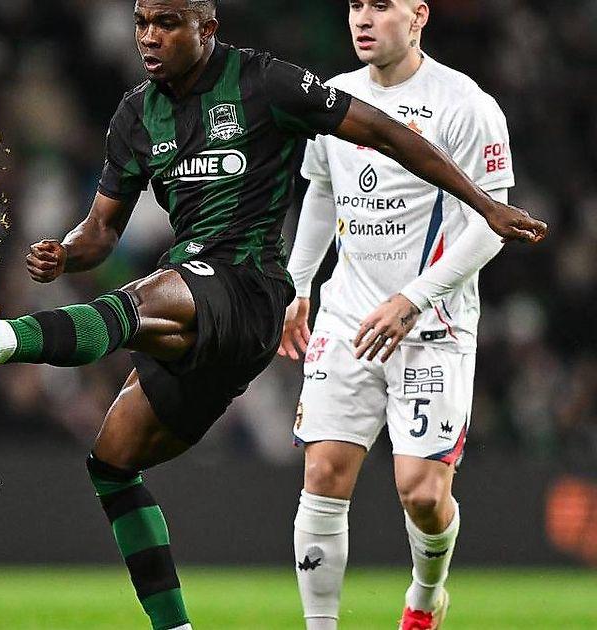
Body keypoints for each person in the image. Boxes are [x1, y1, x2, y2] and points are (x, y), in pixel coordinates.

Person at [0, 1, 545, 628]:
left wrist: (485, 206)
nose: (149, 37)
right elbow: (101, 230)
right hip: (243, 311)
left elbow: (388, 134)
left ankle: (0, 339)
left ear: (206, 29)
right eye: (142, 23)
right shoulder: (136, 114)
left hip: (258, 291)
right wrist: (65, 254)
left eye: (167, 23)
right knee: (115, 464)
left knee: (142, 302)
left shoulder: (269, 83)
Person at [278, 1, 515, 628]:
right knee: (323, 471)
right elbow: (321, 191)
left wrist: (414, 299)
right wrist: (300, 285)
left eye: (381, 6)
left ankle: (424, 593)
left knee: (422, 493)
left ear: (418, 16)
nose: (362, 18)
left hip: (433, 323)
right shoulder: (332, 98)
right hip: (347, 317)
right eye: (355, 5)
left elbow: (491, 223)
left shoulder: (466, 105)